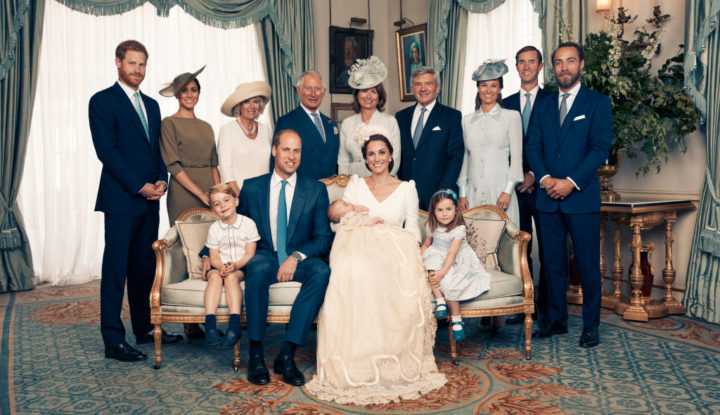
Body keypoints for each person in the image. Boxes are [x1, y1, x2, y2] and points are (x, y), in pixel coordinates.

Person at [305, 132, 446, 405]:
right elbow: (339, 222)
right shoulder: (356, 185)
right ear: (365, 159)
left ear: (391, 155)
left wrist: (407, 250)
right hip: (357, 245)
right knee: (352, 267)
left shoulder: (406, 188)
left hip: (395, 247)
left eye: (382, 152)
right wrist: (360, 224)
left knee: (384, 269)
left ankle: (390, 355)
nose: (377, 158)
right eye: (371, 154)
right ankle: (356, 357)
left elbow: (412, 229)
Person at [88, 40, 181, 363]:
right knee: (116, 269)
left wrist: (161, 180)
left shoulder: (152, 105)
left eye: (142, 64)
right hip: (121, 200)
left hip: (150, 200)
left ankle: (144, 328)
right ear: (118, 63)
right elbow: (107, 152)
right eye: (132, 63)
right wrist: (139, 186)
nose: (138, 70)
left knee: (144, 268)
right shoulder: (102, 101)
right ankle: (113, 340)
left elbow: (157, 150)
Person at [526, 42, 612, 348]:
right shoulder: (543, 104)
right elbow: (533, 145)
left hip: (581, 198)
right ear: (553, 67)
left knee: (587, 266)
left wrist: (571, 182)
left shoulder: (597, 102)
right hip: (548, 198)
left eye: (570, 61)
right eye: (559, 62)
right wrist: (546, 179)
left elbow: (600, 149)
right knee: (552, 265)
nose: (564, 67)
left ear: (581, 64)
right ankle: (556, 321)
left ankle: (591, 326)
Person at [239, 129, 332, 386]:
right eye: (286, 149)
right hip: (265, 255)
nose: (292, 156)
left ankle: (287, 354)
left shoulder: (315, 190)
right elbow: (236, 226)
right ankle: (256, 355)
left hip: (299, 257)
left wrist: (296, 257)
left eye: (297, 150)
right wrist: (206, 254)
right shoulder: (252, 187)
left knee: (322, 272)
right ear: (274, 151)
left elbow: (323, 238)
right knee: (257, 270)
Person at [504, 46, 552, 326]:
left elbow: (555, 145)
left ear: (540, 66)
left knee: (548, 250)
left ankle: (546, 308)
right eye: (521, 62)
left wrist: (535, 174)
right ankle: (524, 304)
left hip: (544, 187)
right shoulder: (505, 103)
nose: (526, 67)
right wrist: (517, 177)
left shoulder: (551, 100)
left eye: (531, 62)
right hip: (514, 189)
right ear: (516, 67)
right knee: (518, 250)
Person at [457, 59, 523, 226]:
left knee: (502, 237)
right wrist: (462, 193)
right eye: (484, 85)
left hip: (500, 192)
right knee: (474, 237)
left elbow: (517, 158)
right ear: (478, 88)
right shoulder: (467, 121)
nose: (488, 90)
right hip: (473, 193)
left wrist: (508, 191)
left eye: (493, 85)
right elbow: (465, 158)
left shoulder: (511, 117)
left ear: (500, 89)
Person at [421, 189, 491, 341]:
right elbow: (426, 245)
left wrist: (442, 273)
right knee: (430, 267)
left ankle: (456, 319)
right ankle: (440, 301)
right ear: (433, 212)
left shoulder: (459, 229)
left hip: (456, 260)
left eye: (448, 209)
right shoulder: (431, 225)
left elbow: (452, 254)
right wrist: (418, 261)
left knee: (448, 284)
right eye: (440, 210)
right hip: (437, 255)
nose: (444, 214)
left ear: (456, 210)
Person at [396, 66, 464, 210]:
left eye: (428, 83)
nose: (423, 88)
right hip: (405, 192)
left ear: (437, 87)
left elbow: (455, 157)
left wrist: (443, 192)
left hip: (437, 193)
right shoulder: (401, 117)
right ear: (412, 88)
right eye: (418, 84)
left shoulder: (451, 116)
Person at [158, 66, 220, 224]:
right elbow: (173, 165)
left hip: (210, 191)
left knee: (213, 236)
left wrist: (218, 195)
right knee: (185, 237)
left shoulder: (206, 126)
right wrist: (201, 194)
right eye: (184, 90)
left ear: (199, 93)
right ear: (177, 94)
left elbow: (214, 166)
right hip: (183, 192)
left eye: (194, 90)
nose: (190, 95)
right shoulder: (169, 123)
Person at [203, 184, 259, 347]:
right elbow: (214, 257)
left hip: (240, 267)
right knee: (214, 277)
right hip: (219, 266)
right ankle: (210, 324)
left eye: (226, 200)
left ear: (236, 201)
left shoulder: (248, 224)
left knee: (231, 278)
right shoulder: (214, 229)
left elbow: (249, 254)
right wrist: (220, 267)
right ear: (213, 210)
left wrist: (235, 266)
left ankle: (234, 326)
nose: (223, 206)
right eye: (217, 204)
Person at [338, 56, 401, 177]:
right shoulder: (347, 123)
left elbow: (395, 161)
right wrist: (344, 184)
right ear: (357, 94)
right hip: (353, 182)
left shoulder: (390, 122)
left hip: (382, 183)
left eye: (373, 91)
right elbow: (343, 161)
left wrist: (377, 183)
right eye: (364, 90)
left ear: (379, 96)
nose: (369, 96)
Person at [273, 71, 339, 180]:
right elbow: (276, 163)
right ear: (299, 91)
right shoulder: (286, 122)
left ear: (323, 92)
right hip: (301, 187)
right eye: (308, 88)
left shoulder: (331, 124)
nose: (313, 94)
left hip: (331, 187)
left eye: (317, 89)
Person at [217, 81, 273, 195]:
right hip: (240, 194)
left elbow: (273, 165)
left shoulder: (266, 130)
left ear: (260, 105)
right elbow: (226, 171)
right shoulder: (227, 130)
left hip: (266, 194)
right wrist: (240, 198)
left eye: (255, 101)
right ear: (239, 106)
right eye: (246, 101)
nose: (252, 106)